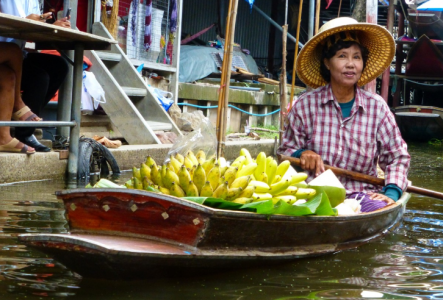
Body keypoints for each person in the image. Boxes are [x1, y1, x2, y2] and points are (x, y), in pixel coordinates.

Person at [278, 17, 410, 211]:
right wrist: (302, 153)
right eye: (342, 56)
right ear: (327, 63)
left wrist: (390, 193)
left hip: (361, 196)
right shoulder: (306, 105)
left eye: (357, 57)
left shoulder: (377, 108)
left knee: (376, 207)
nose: (351, 64)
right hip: (313, 193)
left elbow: (398, 156)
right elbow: (284, 152)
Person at [0, 1, 71, 152]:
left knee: (59, 66)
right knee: (40, 78)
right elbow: (15, 22)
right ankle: (19, 112)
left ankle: (23, 130)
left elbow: (33, 25)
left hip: (17, 55)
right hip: (7, 52)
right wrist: (28, 21)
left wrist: (52, 27)